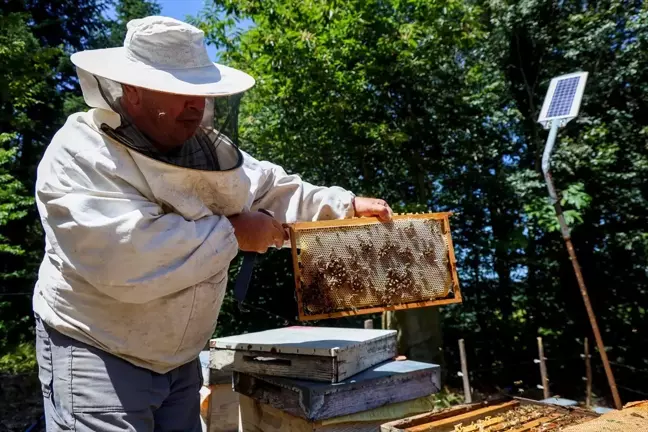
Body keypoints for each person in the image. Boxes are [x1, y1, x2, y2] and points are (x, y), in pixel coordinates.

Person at [32, 15, 392, 432]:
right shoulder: (80, 155)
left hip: (180, 359)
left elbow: (272, 189)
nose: (196, 105)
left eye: (201, 92)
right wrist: (235, 234)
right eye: (181, 91)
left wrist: (345, 206)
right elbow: (125, 255)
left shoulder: (205, 151)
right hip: (98, 349)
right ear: (131, 92)